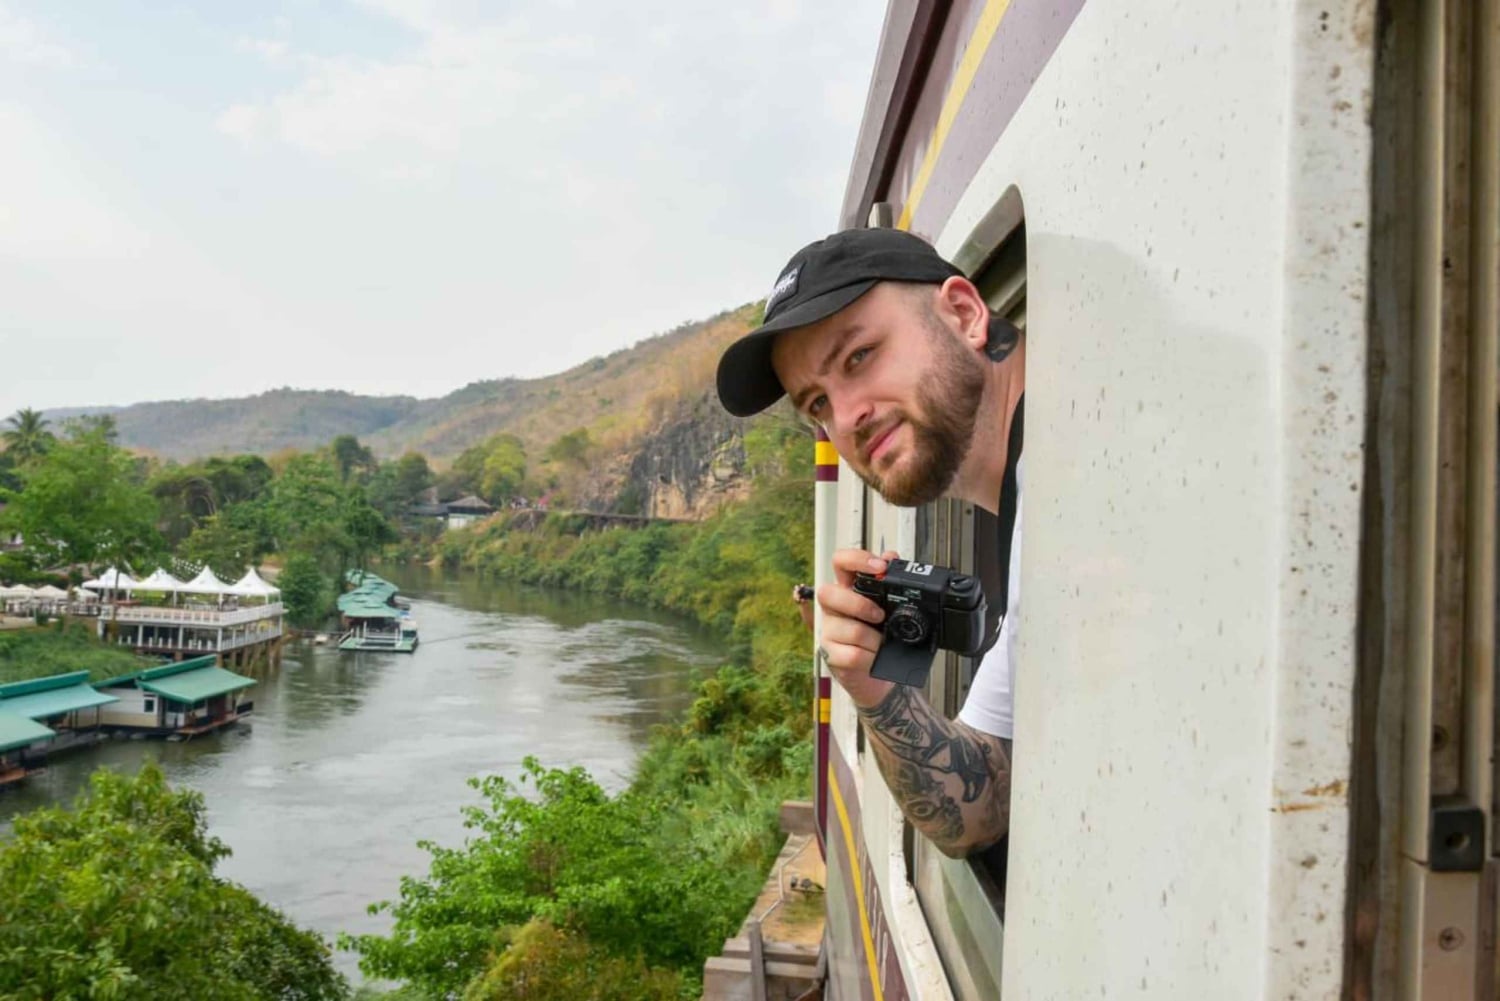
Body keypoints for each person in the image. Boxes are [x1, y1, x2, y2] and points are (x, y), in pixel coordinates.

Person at [715, 227, 1022, 859]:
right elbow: (978, 809)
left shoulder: (1076, 472)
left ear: (963, 313)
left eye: (858, 356)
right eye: (818, 402)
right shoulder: (1031, 528)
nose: (846, 416)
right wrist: (874, 689)